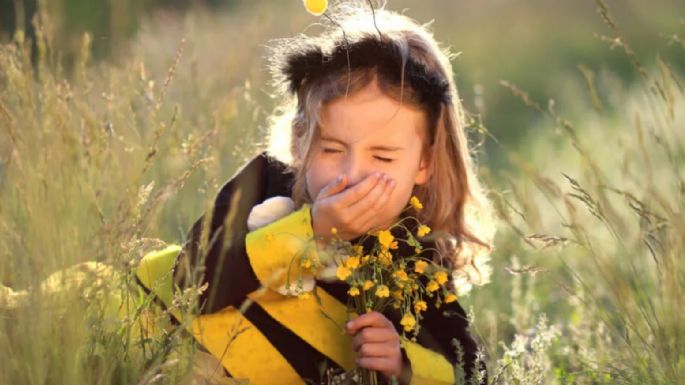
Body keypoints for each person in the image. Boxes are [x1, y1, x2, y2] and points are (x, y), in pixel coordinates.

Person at [135, 1, 496, 384]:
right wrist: (311, 231)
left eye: (383, 156)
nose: (353, 174)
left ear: (424, 163)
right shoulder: (265, 182)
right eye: (332, 149)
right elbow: (190, 283)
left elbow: (473, 372)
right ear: (299, 141)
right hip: (161, 345)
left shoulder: (418, 255)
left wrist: (402, 363)